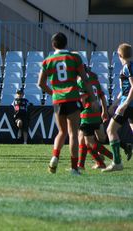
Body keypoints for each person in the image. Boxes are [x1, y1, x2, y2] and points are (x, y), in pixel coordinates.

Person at [38, 32, 97, 175]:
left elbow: (40, 83)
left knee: (61, 132)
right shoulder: (75, 57)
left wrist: (54, 93)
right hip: (72, 98)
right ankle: (74, 168)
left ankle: (54, 157)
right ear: (66, 44)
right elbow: (85, 79)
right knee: (73, 134)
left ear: (53, 45)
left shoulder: (47, 61)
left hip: (58, 100)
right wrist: (93, 98)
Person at [103, 43, 133, 172]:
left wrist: (124, 104)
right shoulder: (128, 67)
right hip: (128, 103)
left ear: (120, 55)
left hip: (128, 105)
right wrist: (115, 104)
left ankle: (117, 163)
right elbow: (125, 88)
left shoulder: (127, 67)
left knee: (110, 130)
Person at [77, 64, 113, 170]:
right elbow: (102, 97)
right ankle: (82, 165)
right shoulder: (95, 81)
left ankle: (114, 157)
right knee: (82, 140)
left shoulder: (81, 82)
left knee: (89, 142)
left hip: (87, 115)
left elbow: (83, 99)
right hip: (96, 114)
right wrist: (104, 111)